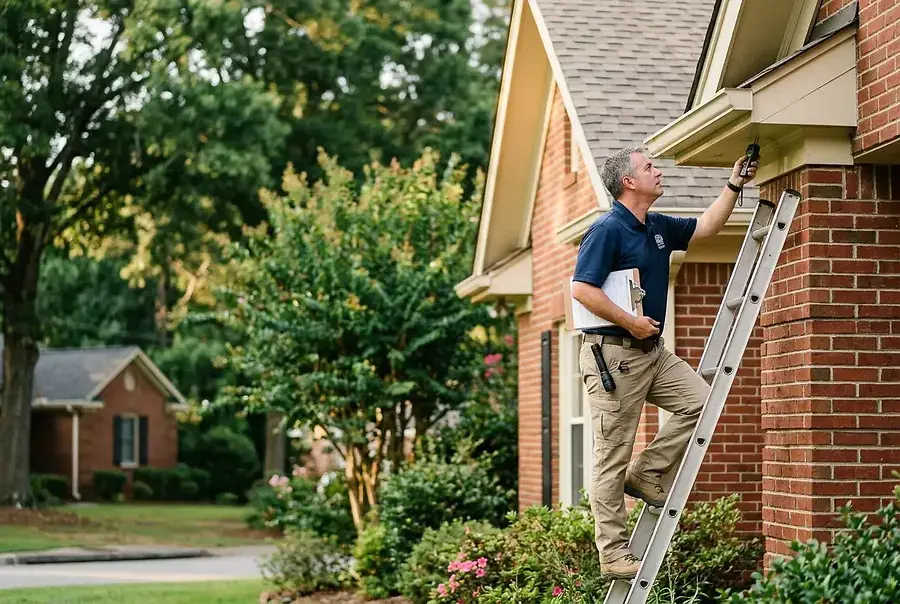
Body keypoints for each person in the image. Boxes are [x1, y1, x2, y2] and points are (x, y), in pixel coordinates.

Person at [570, 146, 758, 579]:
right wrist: (631, 322)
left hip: (651, 352)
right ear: (628, 182)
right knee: (609, 458)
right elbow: (582, 289)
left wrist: (734, 183)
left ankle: (648, 471)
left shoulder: (655, 226)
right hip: (614, 358)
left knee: (701, 403)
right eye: (649, 166)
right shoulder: (607, 230)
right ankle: (613, 552)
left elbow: (708, 226)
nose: (658, 170)